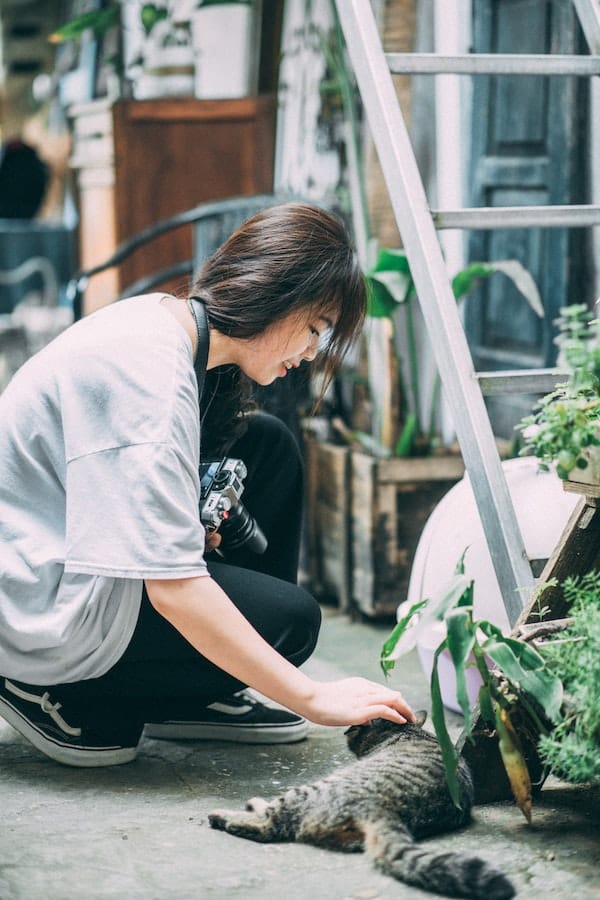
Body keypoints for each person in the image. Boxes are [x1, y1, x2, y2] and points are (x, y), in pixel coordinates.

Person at [0, 202, 414, 767]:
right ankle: (41, 684)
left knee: (265, 443)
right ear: (275, 295)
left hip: (65, 544)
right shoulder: (150, 379)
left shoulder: (173, 325)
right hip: (38, 604)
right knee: (291, 622)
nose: (314, 352)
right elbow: (173, 588)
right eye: (315, 328)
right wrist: (311, 696)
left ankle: (201, 689)